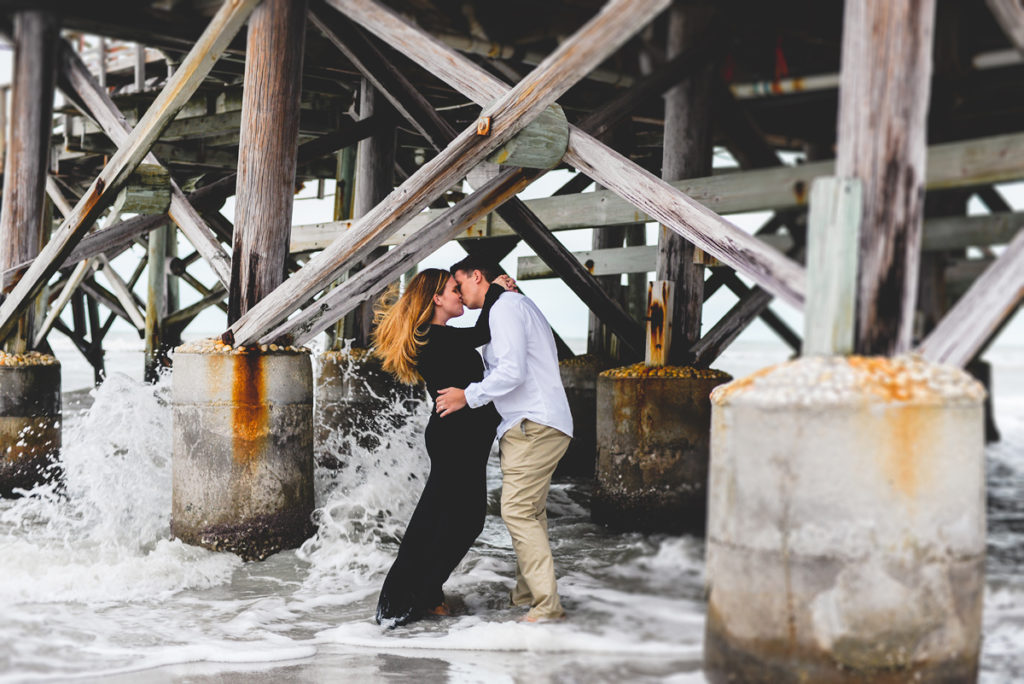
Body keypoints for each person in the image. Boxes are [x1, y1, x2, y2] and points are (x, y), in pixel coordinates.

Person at [371, 268, 513, 626]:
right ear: (436, 298)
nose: (460, 296)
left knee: (455, 521)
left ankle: (423, 592)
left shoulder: (440, 336)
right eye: (454, 290)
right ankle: (400, 603)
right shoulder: (435, 337)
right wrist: (495, 290)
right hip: (455, 440)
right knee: (448, 522)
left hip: (460, 438)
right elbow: (484, 332)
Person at [435, 257, 573, 622]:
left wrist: (467, 395)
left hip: (534, 423)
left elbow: (512, 370)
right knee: (531, 513)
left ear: (475, 276)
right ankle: (528, 593)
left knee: (516, 511)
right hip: (531, 423)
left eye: (460, 286)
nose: (461, 297)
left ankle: (547, 606)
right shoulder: (508, 305)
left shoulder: (506, 308)